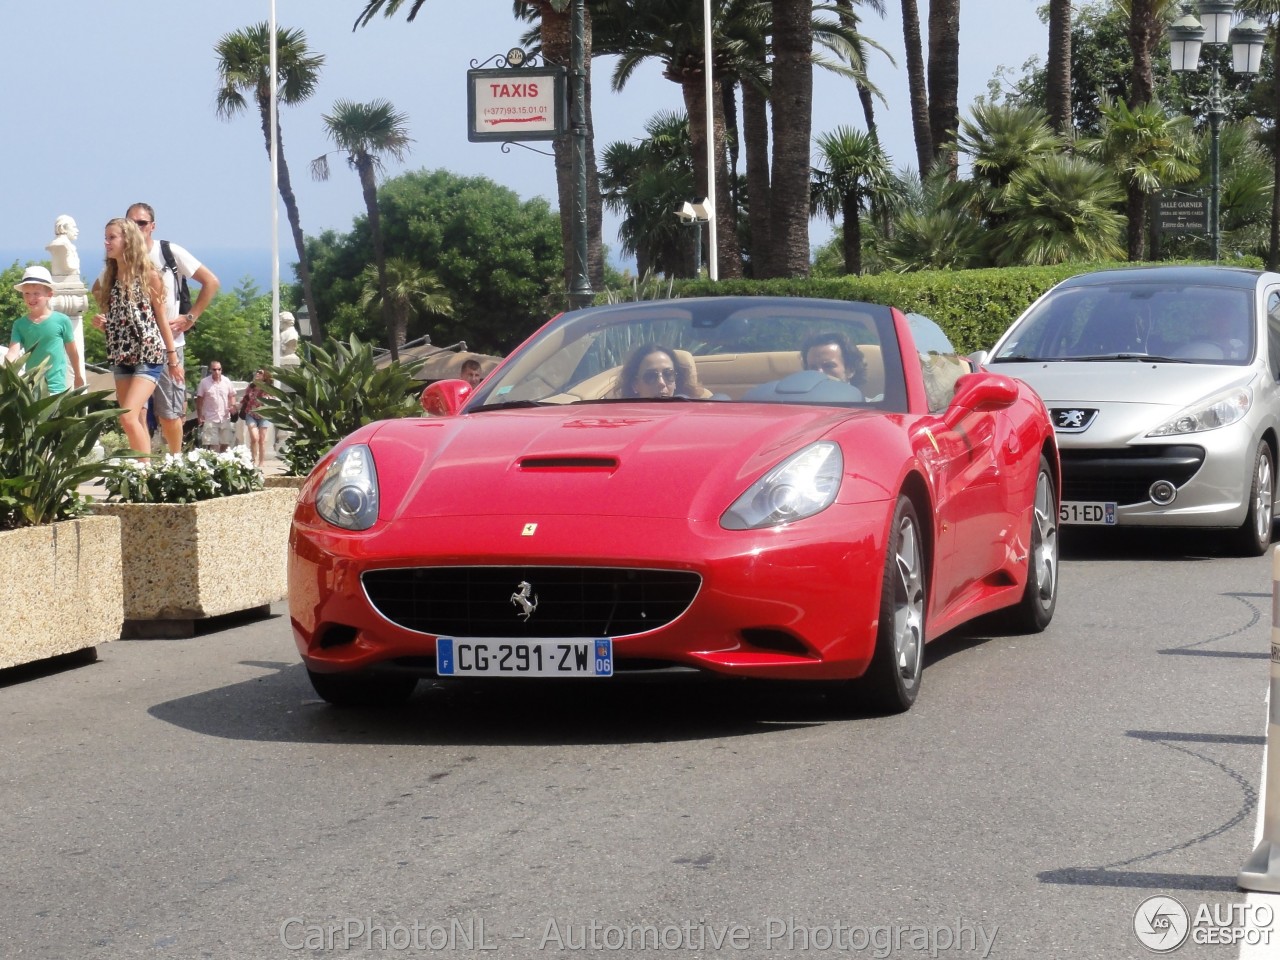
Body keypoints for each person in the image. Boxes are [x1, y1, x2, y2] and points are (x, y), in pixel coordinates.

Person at [125, 202, 221, 454]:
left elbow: (210, 282)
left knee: (169, 414)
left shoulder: (168, 252)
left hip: (170, 345)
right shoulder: (121, 259)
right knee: (136, 413)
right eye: (131, 223)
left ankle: (175, 460)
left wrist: (190, 318)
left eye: (142, 223)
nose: (136, 228)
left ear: (152, 226)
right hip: (133, 347)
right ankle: (143, 467)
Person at [89, 218, 183, 456]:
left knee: (128, 416)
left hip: (148, 354)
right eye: (106, 237)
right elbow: (117, 314)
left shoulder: (147, 274)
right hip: (120, 355)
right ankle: (143, 472)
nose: (106, 242)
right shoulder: (110, 276)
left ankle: (144, 475)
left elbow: (160, 317)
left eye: (112, 237)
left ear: (127, 240)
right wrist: (106, 323)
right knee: (130, 420)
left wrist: (172, 358)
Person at [4, 265, 83, 394]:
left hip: (57, 387)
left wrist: (78, 376)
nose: (31, 298)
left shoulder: (62, 320)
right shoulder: (19, 324)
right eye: (27, 293)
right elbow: (13, 352)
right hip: (31, 387)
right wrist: (5, 368)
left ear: (49, 294)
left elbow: (72, 351)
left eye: (36, 294)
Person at [617, 344, 694, 399]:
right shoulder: (623, 419)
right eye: (651, 376)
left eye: (668, 374)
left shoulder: (691, 410)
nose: (661, 383)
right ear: (635, 385)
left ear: (675, 381)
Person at [194, 360, 237, 452]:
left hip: (224, 416)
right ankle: (215, 463)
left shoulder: (226, 381)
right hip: (210, 417)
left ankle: (221, 460)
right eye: (214, 369)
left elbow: (232, 395)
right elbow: (199, 400)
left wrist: (233, 405)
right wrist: (199, 415)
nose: (217, 372)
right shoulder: (204, 382)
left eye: (219, 369)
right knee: (213, 444)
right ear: (211, 370)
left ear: (221, 370)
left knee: (225, 443)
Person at [801, 331, 867, 390]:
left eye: (828, 366)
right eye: (813, 368)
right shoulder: (798, 402)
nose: (819, 373)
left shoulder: (868, 403)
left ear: (850, 370)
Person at [238, 368, 271, 467]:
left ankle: (261, 462)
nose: (257, 374)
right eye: (257, 372)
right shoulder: (251, 387)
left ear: (265, 377)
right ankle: (253, 460)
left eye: (260, 373)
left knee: (262, 440)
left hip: (264, 415)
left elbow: (272, 400)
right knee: (254, 438)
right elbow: (245, 399)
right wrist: (236, 407)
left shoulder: (268, 388)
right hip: (251, 414)